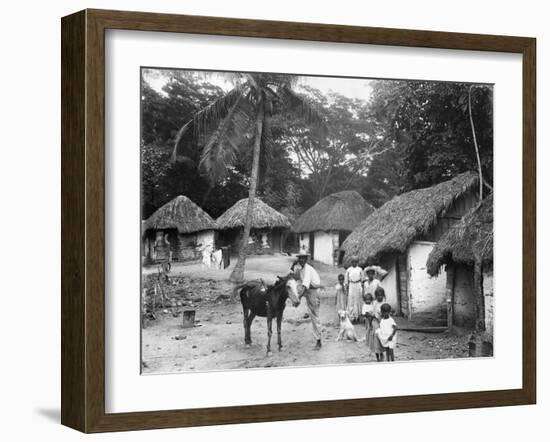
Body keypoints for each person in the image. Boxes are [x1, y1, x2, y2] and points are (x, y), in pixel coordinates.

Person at [295, 253, 323, 350]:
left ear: (306, 259)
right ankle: (318, 338)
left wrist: (298, 299)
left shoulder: (308, 269)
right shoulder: (301, 269)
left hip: (313, 293)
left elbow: (305, 286)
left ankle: (318, 341)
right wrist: (292, 266)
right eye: (299, 259)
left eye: (303, 258)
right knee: (313, 316)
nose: (301, 260)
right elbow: (295, 277)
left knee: (315, 317)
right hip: (309, 293)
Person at [371, 287, 387, 361]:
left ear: (383, 295)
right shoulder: (374, 303)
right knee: (376, 338)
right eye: (377, 295)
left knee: (382, 338)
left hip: (382, 322)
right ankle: (377, 355)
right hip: (375, 322)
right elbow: (372, 313)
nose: (379, 297)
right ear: (375, 296)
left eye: (381, 295)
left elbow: (386, 314)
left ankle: (381, 352)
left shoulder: (384, 303)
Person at [345, 257, 363, 323]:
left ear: (357, 262)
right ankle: (352, 317)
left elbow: (362, 279)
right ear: (351, 262)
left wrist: (361, 286)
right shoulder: (349, 270)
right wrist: (347, 286)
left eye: (355, 262)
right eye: (353, 262)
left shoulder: (360, 269)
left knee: (357, 301)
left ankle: (357, 316)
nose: (354, 263)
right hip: (351, 285)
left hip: (358, 285)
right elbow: (346, 279)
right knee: (351, 301)